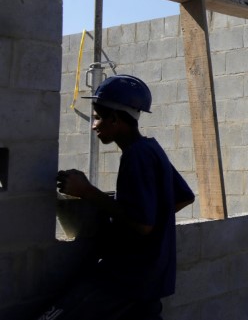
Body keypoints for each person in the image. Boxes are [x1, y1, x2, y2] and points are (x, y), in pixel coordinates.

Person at [38, 75, 195, 320]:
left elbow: (143, 224)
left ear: (115, 119)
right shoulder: (151, 148)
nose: (93, 125)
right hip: (148, 278)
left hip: (127, 277)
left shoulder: (136, 156)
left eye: (98, 117)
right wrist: (150, 216)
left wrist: (86, 191)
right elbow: (184, 197)